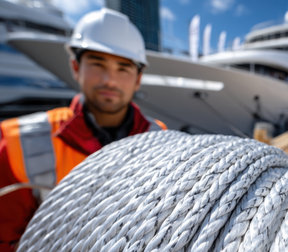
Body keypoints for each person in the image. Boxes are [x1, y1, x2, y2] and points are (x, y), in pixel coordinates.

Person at [0, 8, 166, 250]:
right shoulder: (16, 142)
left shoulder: (159, 137)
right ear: (75, 67)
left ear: (138, 78)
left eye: (123, 68)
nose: (109, 80)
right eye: (97, 64)